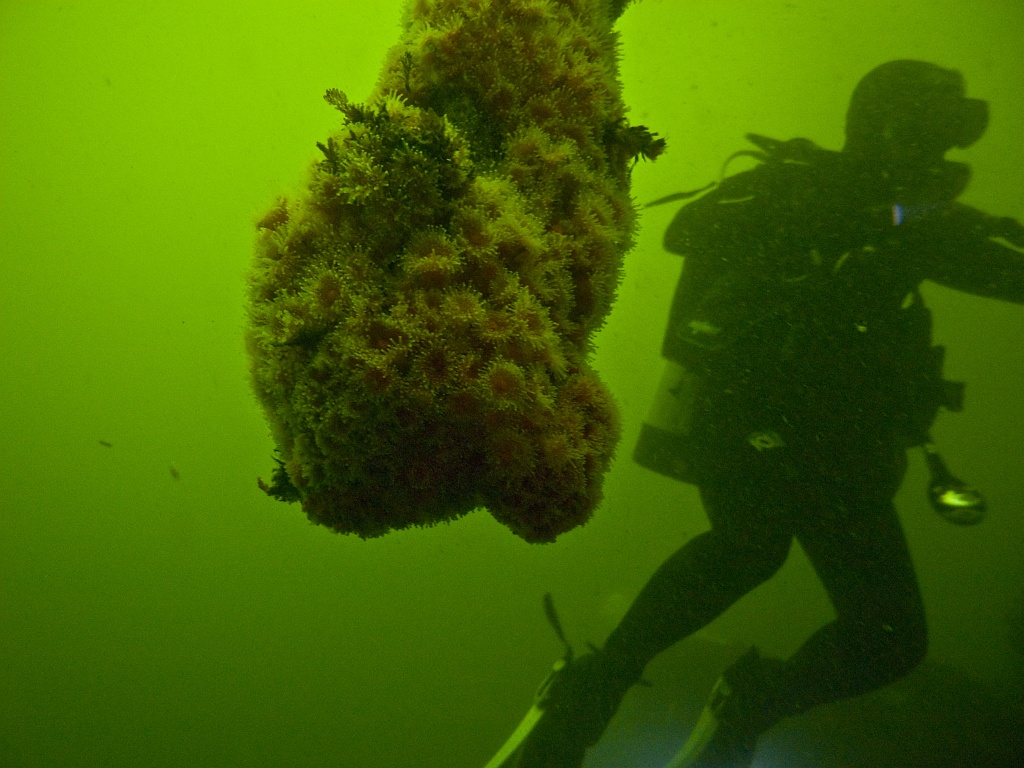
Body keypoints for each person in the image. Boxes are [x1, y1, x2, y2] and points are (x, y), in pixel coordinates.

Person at [498, 60, 1024, 768]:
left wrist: (906, 226)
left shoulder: (912, 222)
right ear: (893, 129)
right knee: (752, 546)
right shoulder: (805, 194)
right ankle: (592, 693)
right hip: (754, 428)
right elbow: (689, 231)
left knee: (888, 635)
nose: (948, 154)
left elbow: (999, 270)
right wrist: (832, 235)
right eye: (936, 133)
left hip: (840, 455)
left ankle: (736, 702)